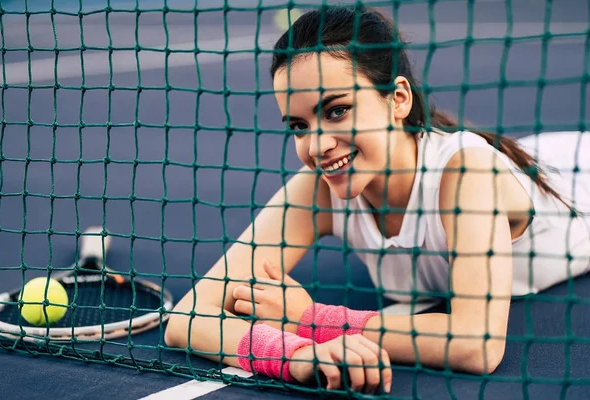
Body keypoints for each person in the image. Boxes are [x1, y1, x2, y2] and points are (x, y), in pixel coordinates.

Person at [164, 5, 590, 394]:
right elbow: (186, 319)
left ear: (398, 99)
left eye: (336, 111)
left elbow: (476, 344)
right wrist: (294, 354)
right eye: (298, 125)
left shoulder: (467, 174)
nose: (316, 145)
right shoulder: (317, 186)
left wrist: (312, 321)